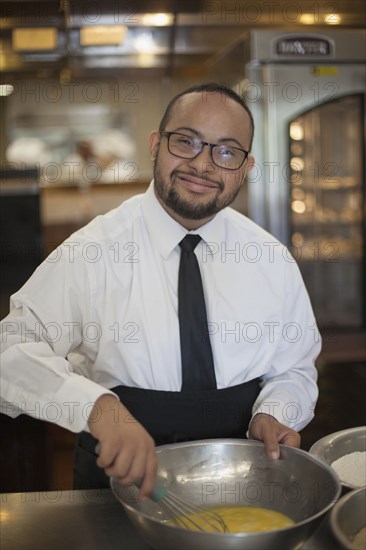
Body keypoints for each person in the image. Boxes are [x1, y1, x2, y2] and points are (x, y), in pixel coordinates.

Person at [0, 83, 320, 499]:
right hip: (119, 484)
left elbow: (295, 368)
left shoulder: (271, 259)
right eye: (186, 142)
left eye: (226, 151)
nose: (203, 164)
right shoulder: (92, 250)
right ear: (155, 145)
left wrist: (273, 413)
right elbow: (9, 352)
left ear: (245, 166)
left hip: (242, 476)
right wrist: (96, 408)